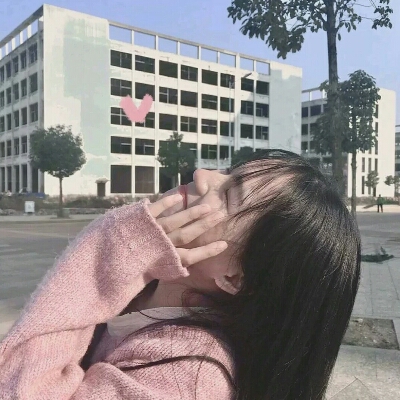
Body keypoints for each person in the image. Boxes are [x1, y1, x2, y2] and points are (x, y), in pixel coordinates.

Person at [0, 149, 361, 400]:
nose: (201, 175)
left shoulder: (184, 379)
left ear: (235, 278)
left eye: (230, 195)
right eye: (228, 173)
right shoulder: (136, 291)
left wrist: (103, 256)